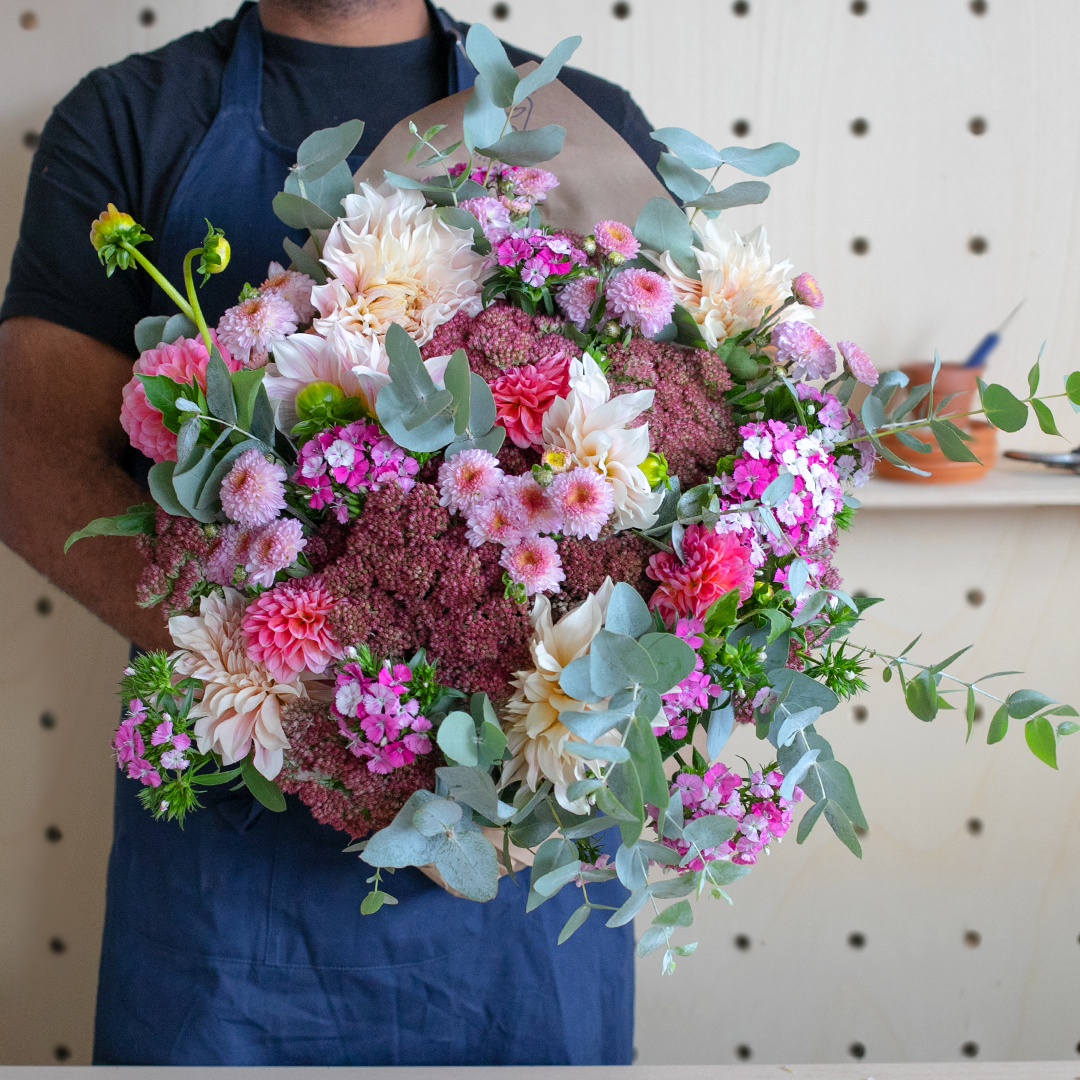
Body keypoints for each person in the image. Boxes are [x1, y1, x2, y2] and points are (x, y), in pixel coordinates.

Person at [0, 0, 661, 1066]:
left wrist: (492, 708)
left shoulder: (579, 122)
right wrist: (287, 687)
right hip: (234, 872)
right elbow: (28, 463)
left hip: (517, 873)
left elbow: (669, 466)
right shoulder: (131, 118)